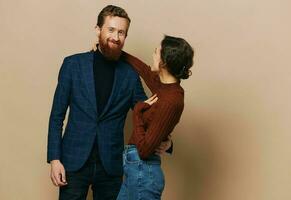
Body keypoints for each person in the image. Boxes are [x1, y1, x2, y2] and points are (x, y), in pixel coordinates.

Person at [47, 5, 171, 200]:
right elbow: (56, 116)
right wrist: (55, 159)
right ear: (98, 30)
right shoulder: (72, 65)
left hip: (110, 166)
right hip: (73, 162)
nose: (116, 36)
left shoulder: (130, 75)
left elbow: (147, 114)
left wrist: (167, 141)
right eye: (111, 29)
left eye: (121, 32)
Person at [116, 35, 194, 199]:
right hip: (135, 172)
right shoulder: (164, 87)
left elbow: (144, 150)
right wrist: (117, 52)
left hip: (143, 174)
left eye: (156, 52)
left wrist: (137, 112)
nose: (152, 55)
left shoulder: (171, 100)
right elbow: (143, 69)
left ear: (164, 62)